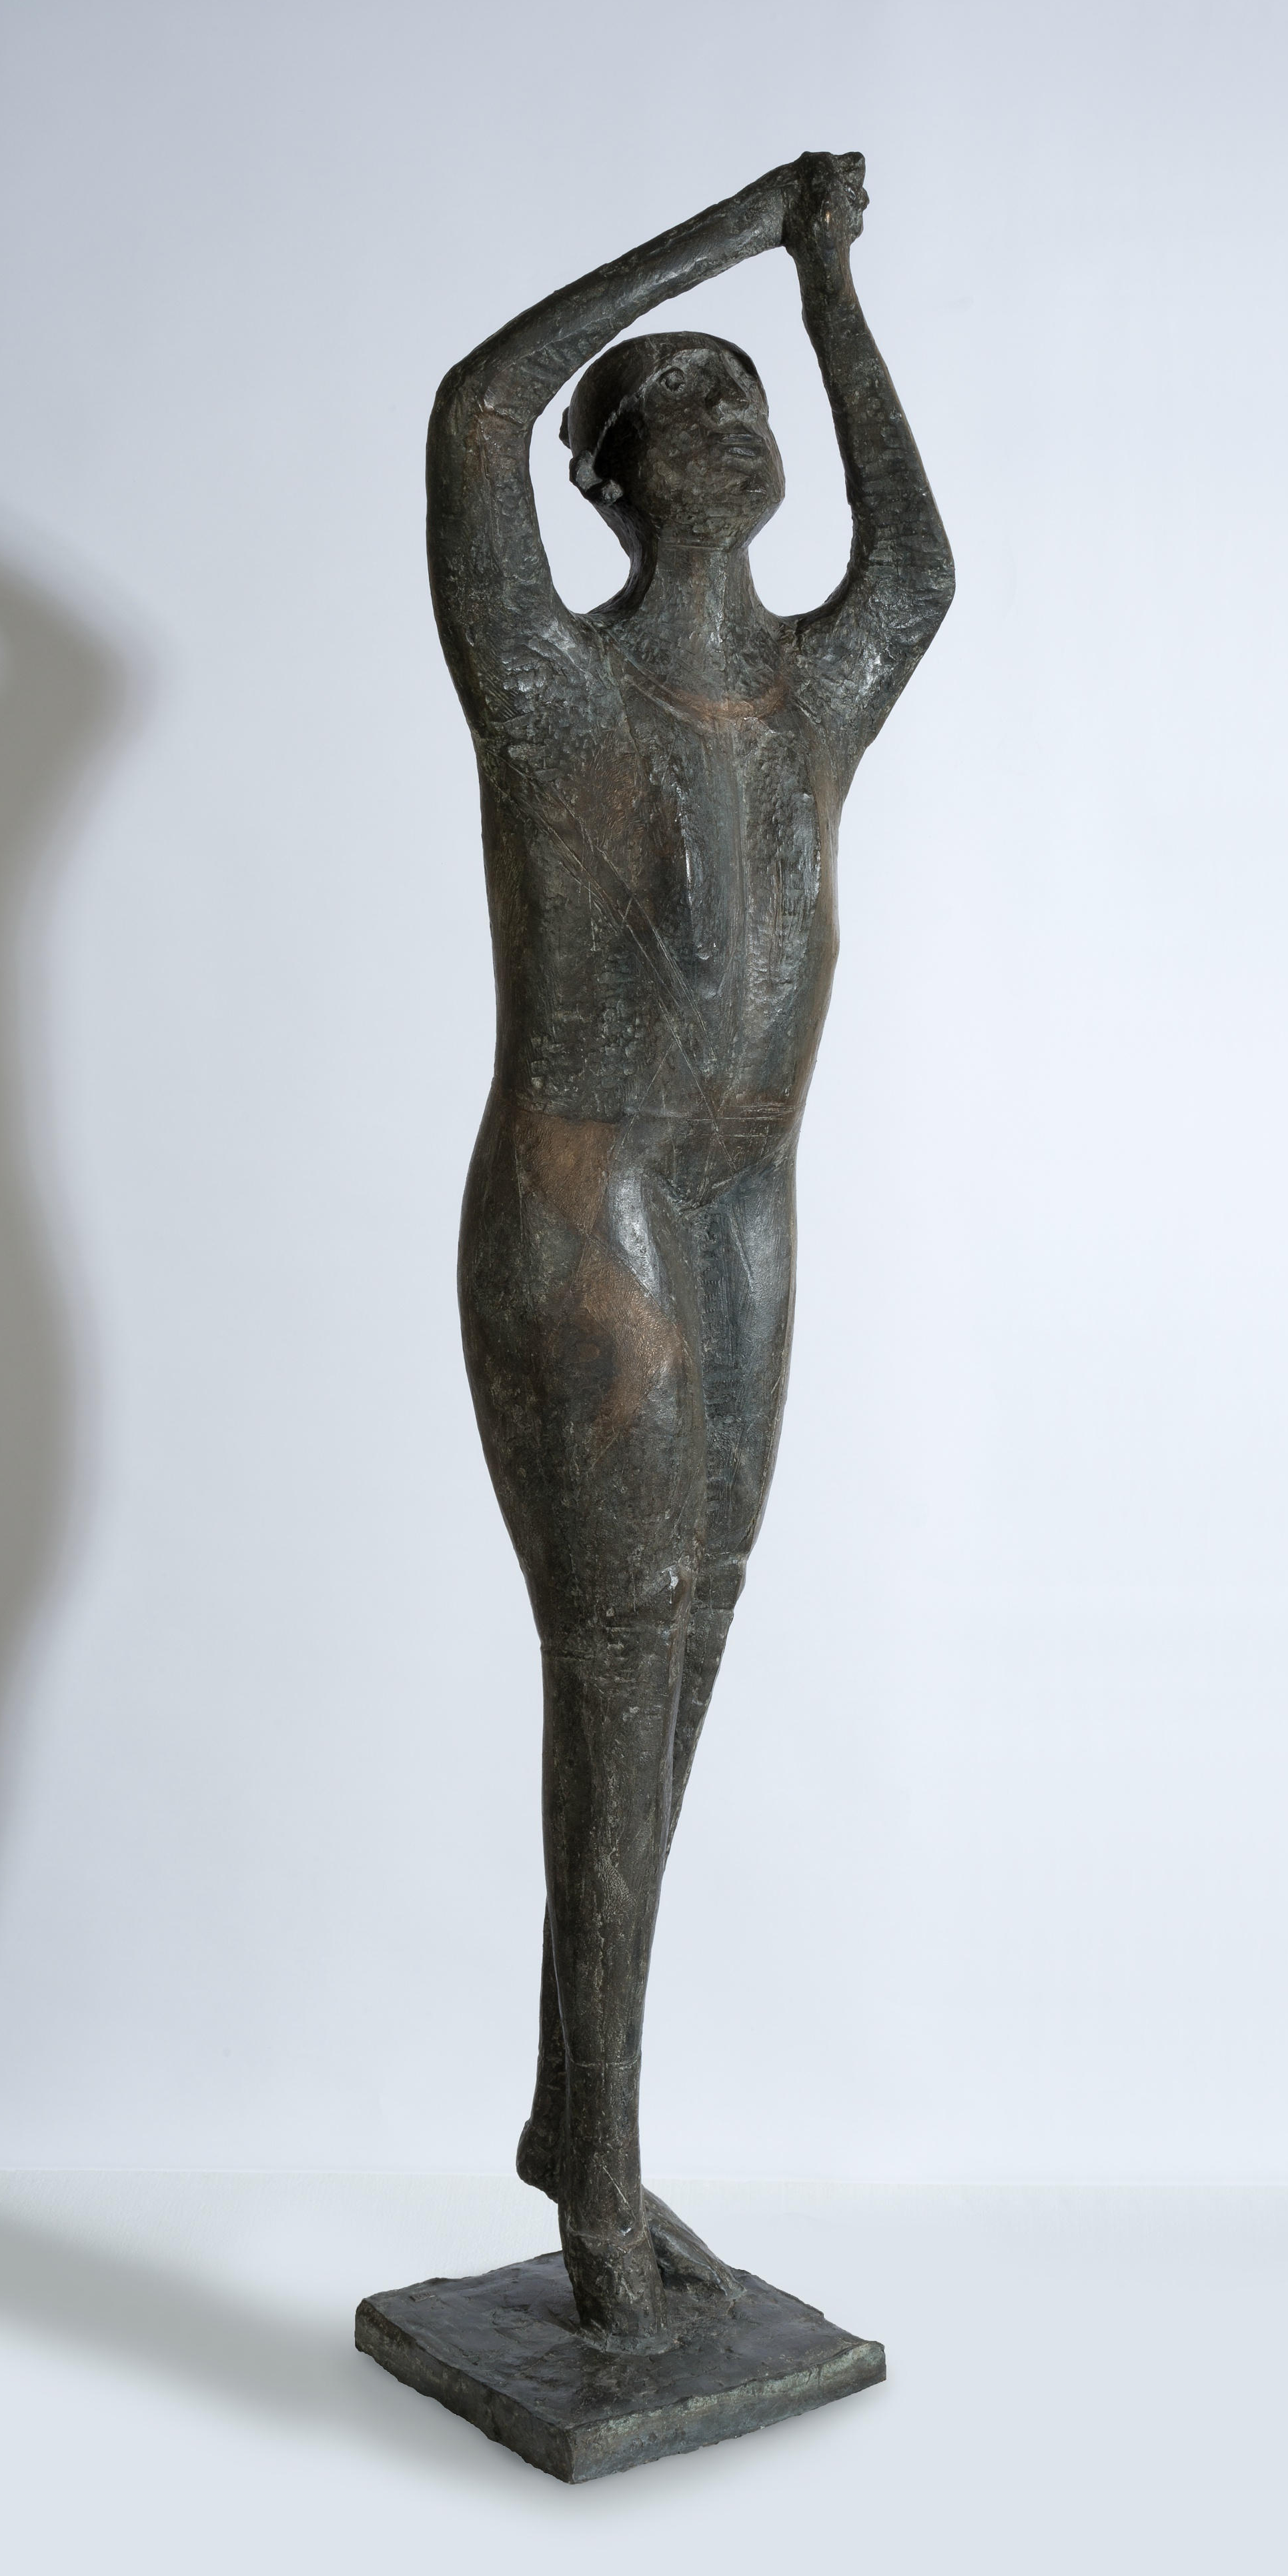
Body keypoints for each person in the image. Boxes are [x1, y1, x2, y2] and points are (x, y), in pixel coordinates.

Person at [428, 151, 952, 2348]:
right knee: (618, 1668)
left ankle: (590, 2124)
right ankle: (604, 2185)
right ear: (613, 480)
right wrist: (740, 227)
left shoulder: (817, 691)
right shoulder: (550, 685)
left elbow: (916, 561)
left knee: (690, 1657)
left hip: (749, 1202)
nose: (730, 430)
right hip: (596, 1198)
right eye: (679, 408)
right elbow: (476, 415)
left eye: (749, 405)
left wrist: (826, 288)